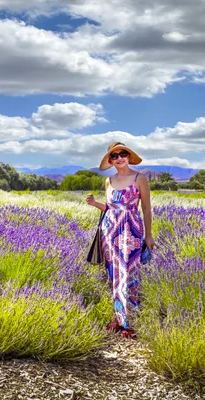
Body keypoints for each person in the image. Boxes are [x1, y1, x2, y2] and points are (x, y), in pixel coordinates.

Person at [85, 142, 155, 339]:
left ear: (129, 156)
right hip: (110, 231)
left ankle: (130, 321)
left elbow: (147, 209)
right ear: (110, 160)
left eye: (122, 154)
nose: (119, 158)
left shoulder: (139, 178)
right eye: (114, 156)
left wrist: (148, 235)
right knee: (113, 274)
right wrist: (94, 204)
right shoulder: (109, 181)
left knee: (130, 273)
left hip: (131, 231)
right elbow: (110, 208)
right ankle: (118, 318)